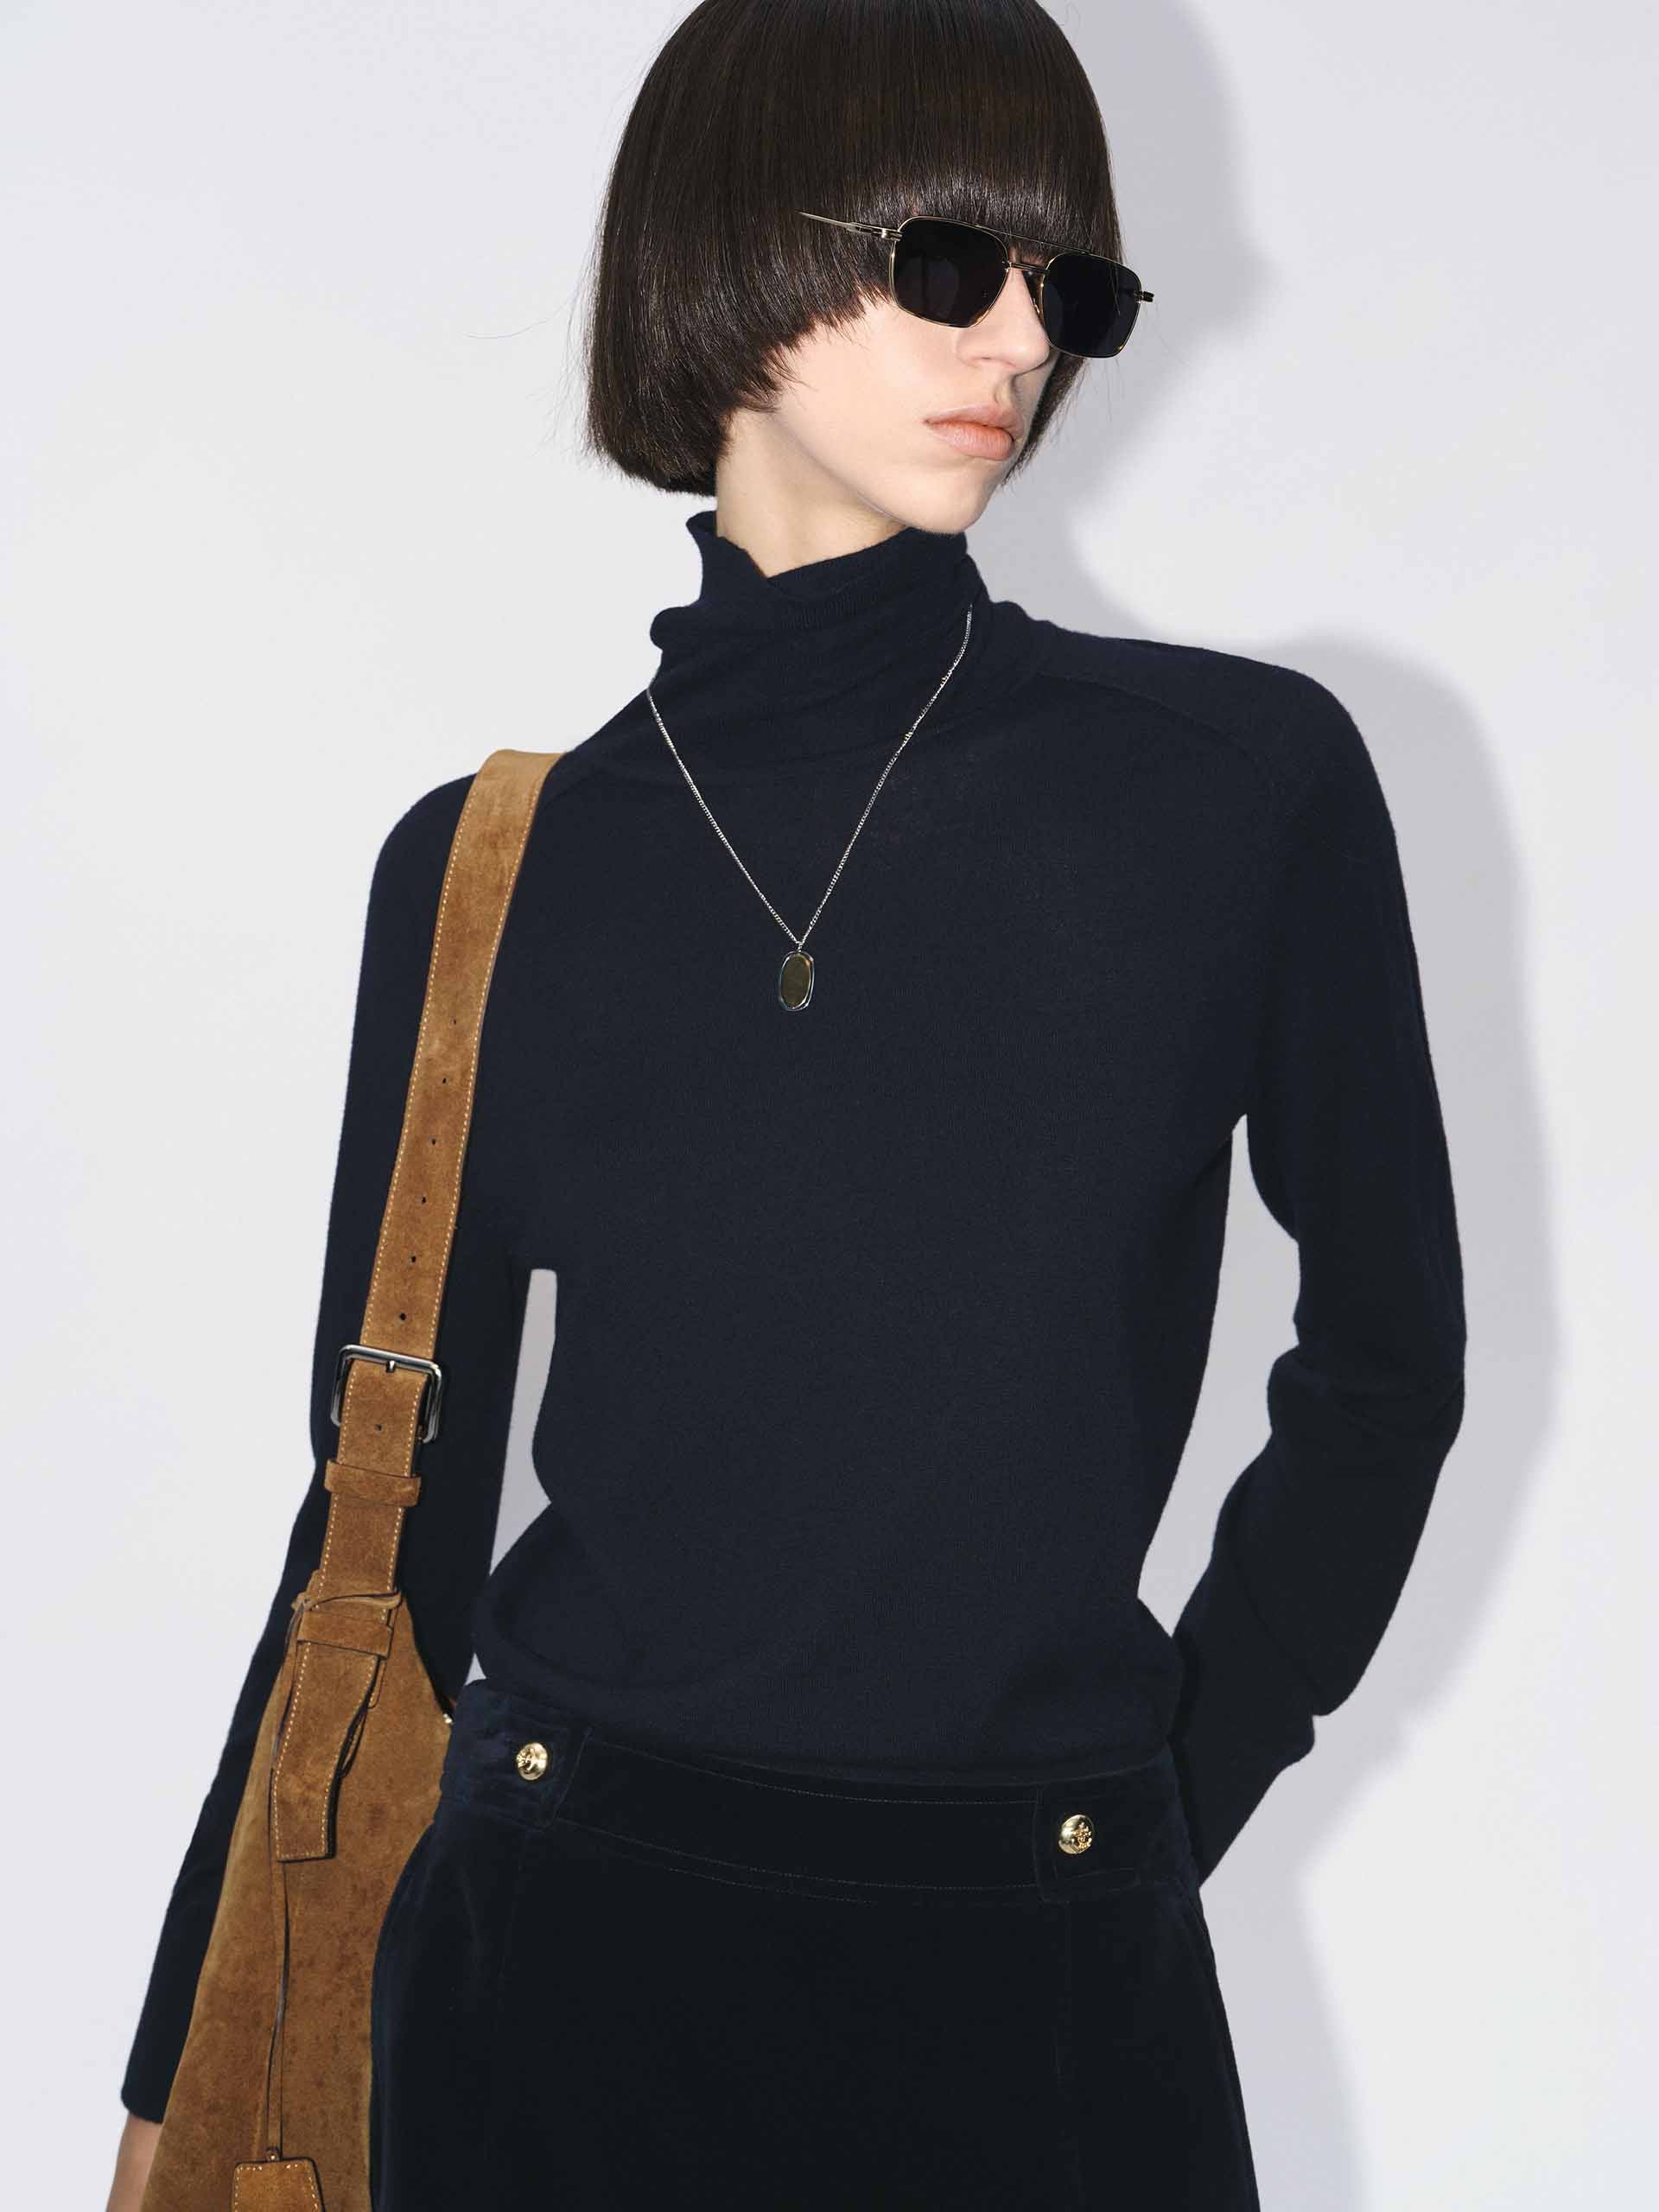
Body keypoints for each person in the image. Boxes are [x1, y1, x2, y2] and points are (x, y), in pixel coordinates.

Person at [109, 3, 1467, 2206]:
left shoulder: (1234, 791)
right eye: (952, 262)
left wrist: (1147, 1804)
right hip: (551, 1981)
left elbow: (1390, 1362)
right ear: (735, 245)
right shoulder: (489, 870)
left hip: (1044, 1993)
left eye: (1071, 292)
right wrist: (192, 2063)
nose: (1020, 340)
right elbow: (382, 1521)